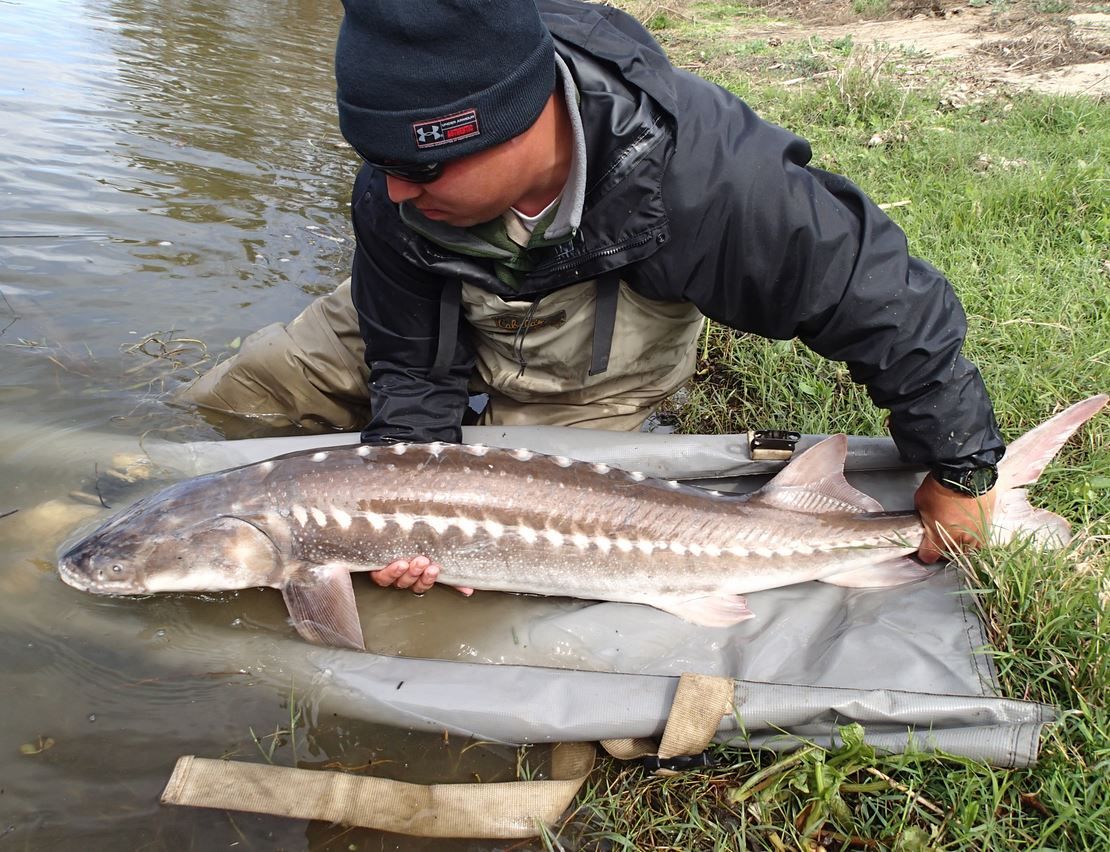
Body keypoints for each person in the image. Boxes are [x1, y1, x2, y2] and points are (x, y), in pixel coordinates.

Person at [179, 0, 1004, 595]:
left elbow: (883, 300)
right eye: (375, 160)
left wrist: (962, 468)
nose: (390, 190)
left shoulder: (710, 176)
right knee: (251, 389)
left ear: (517, 118)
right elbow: (410, 366)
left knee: (550, 493)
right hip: (443, 286)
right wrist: (403, 505)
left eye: (419, 166)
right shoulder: (401, 193)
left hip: (601, 311)